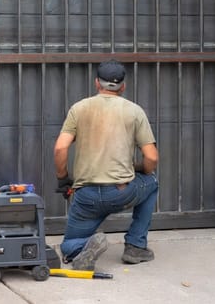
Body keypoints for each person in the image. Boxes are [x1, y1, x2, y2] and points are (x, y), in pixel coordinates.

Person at [53, 60, 159, 270]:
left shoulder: (79, 108)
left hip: (86, 196)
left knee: (68, 246)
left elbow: (60, 149)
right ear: (123, 86)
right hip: (122, 192)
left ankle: (82, 246)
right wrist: (142, 170)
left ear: (96, 83)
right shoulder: (134, 111)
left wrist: (63, 179)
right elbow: (152, 157)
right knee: (152, 182)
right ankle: (135, 246)